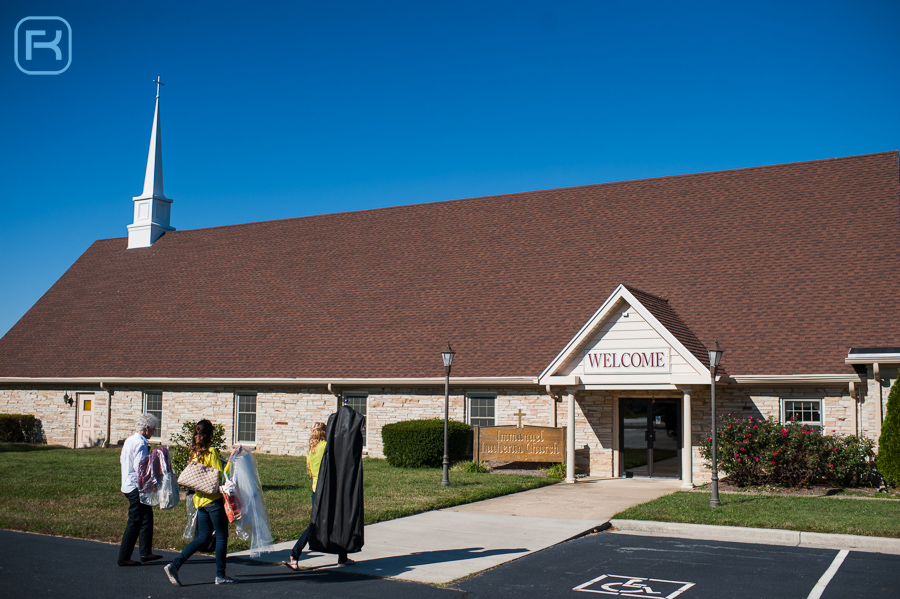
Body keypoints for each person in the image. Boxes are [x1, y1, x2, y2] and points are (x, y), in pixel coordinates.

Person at [164, 420, 237, 586]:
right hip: (213, 500)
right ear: (211, 434)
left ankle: (175, 564)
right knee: (221, 536)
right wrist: (231, 460)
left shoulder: (194, 452)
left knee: (203, 537)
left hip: (200, 501)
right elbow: (219, 476)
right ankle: (220, 575)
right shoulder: (211, 451)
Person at [286, 422, 355, 569]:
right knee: (325, 523)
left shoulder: (310, 451)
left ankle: (343, 557)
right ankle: (295, 552)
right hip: (327, 491)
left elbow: (311, 473)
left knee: (325, 522)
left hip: (316, 491)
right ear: (325, 432)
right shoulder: (325, 447)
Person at [118, 413, 162, 566]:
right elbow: (140, 467)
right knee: (135, 520)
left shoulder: (130, 440)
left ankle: (146, 552)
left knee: (146, 517)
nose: (153, 432)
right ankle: (124, 557)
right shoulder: (141, 443)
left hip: (127, 483)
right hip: (136, 486)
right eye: (153, 429)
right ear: (147, 428)